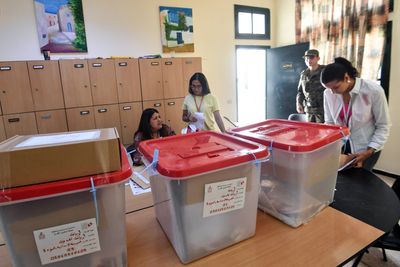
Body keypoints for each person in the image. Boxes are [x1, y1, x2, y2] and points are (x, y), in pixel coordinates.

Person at [320, 57, 391, 171]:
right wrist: (334, 147)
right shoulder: (328, 93)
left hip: (367, 146)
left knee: (361, 181)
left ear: (346, 78)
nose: (332, 92)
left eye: (335, 87)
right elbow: (330, 123)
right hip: (342, 144)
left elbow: (383, 125)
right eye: (328, 88)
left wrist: (368, 151)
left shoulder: (373, 91)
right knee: (341, 180)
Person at [296, 49, 326, 123]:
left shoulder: (325, 71)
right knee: (310, 132)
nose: (309, 60)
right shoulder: (304, 74)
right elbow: (300, 91)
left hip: (323, 110)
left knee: (323, 132)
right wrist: (298, 103)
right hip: (309, 110)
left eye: (311, 57)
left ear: (318, 58)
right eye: (307, 58)